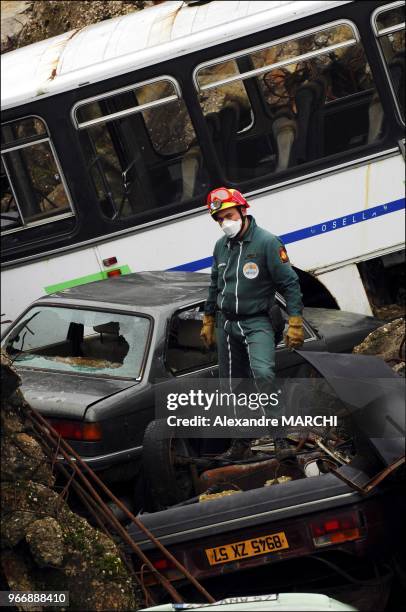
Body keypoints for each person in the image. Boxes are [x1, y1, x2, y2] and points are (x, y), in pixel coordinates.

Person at [200, 187, 304, 460]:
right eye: (219, 219)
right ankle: (241, 441)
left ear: (243, 211)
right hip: (227, 324)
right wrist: (209, 318)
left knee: (263, 375)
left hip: (257, 321)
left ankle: (280, 439)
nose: (225, 223)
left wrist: (295, 321)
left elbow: (290, 283)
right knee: (231, 385)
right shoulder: (220, 247)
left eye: (229, 215)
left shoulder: (267, 243)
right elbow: (215, 284)